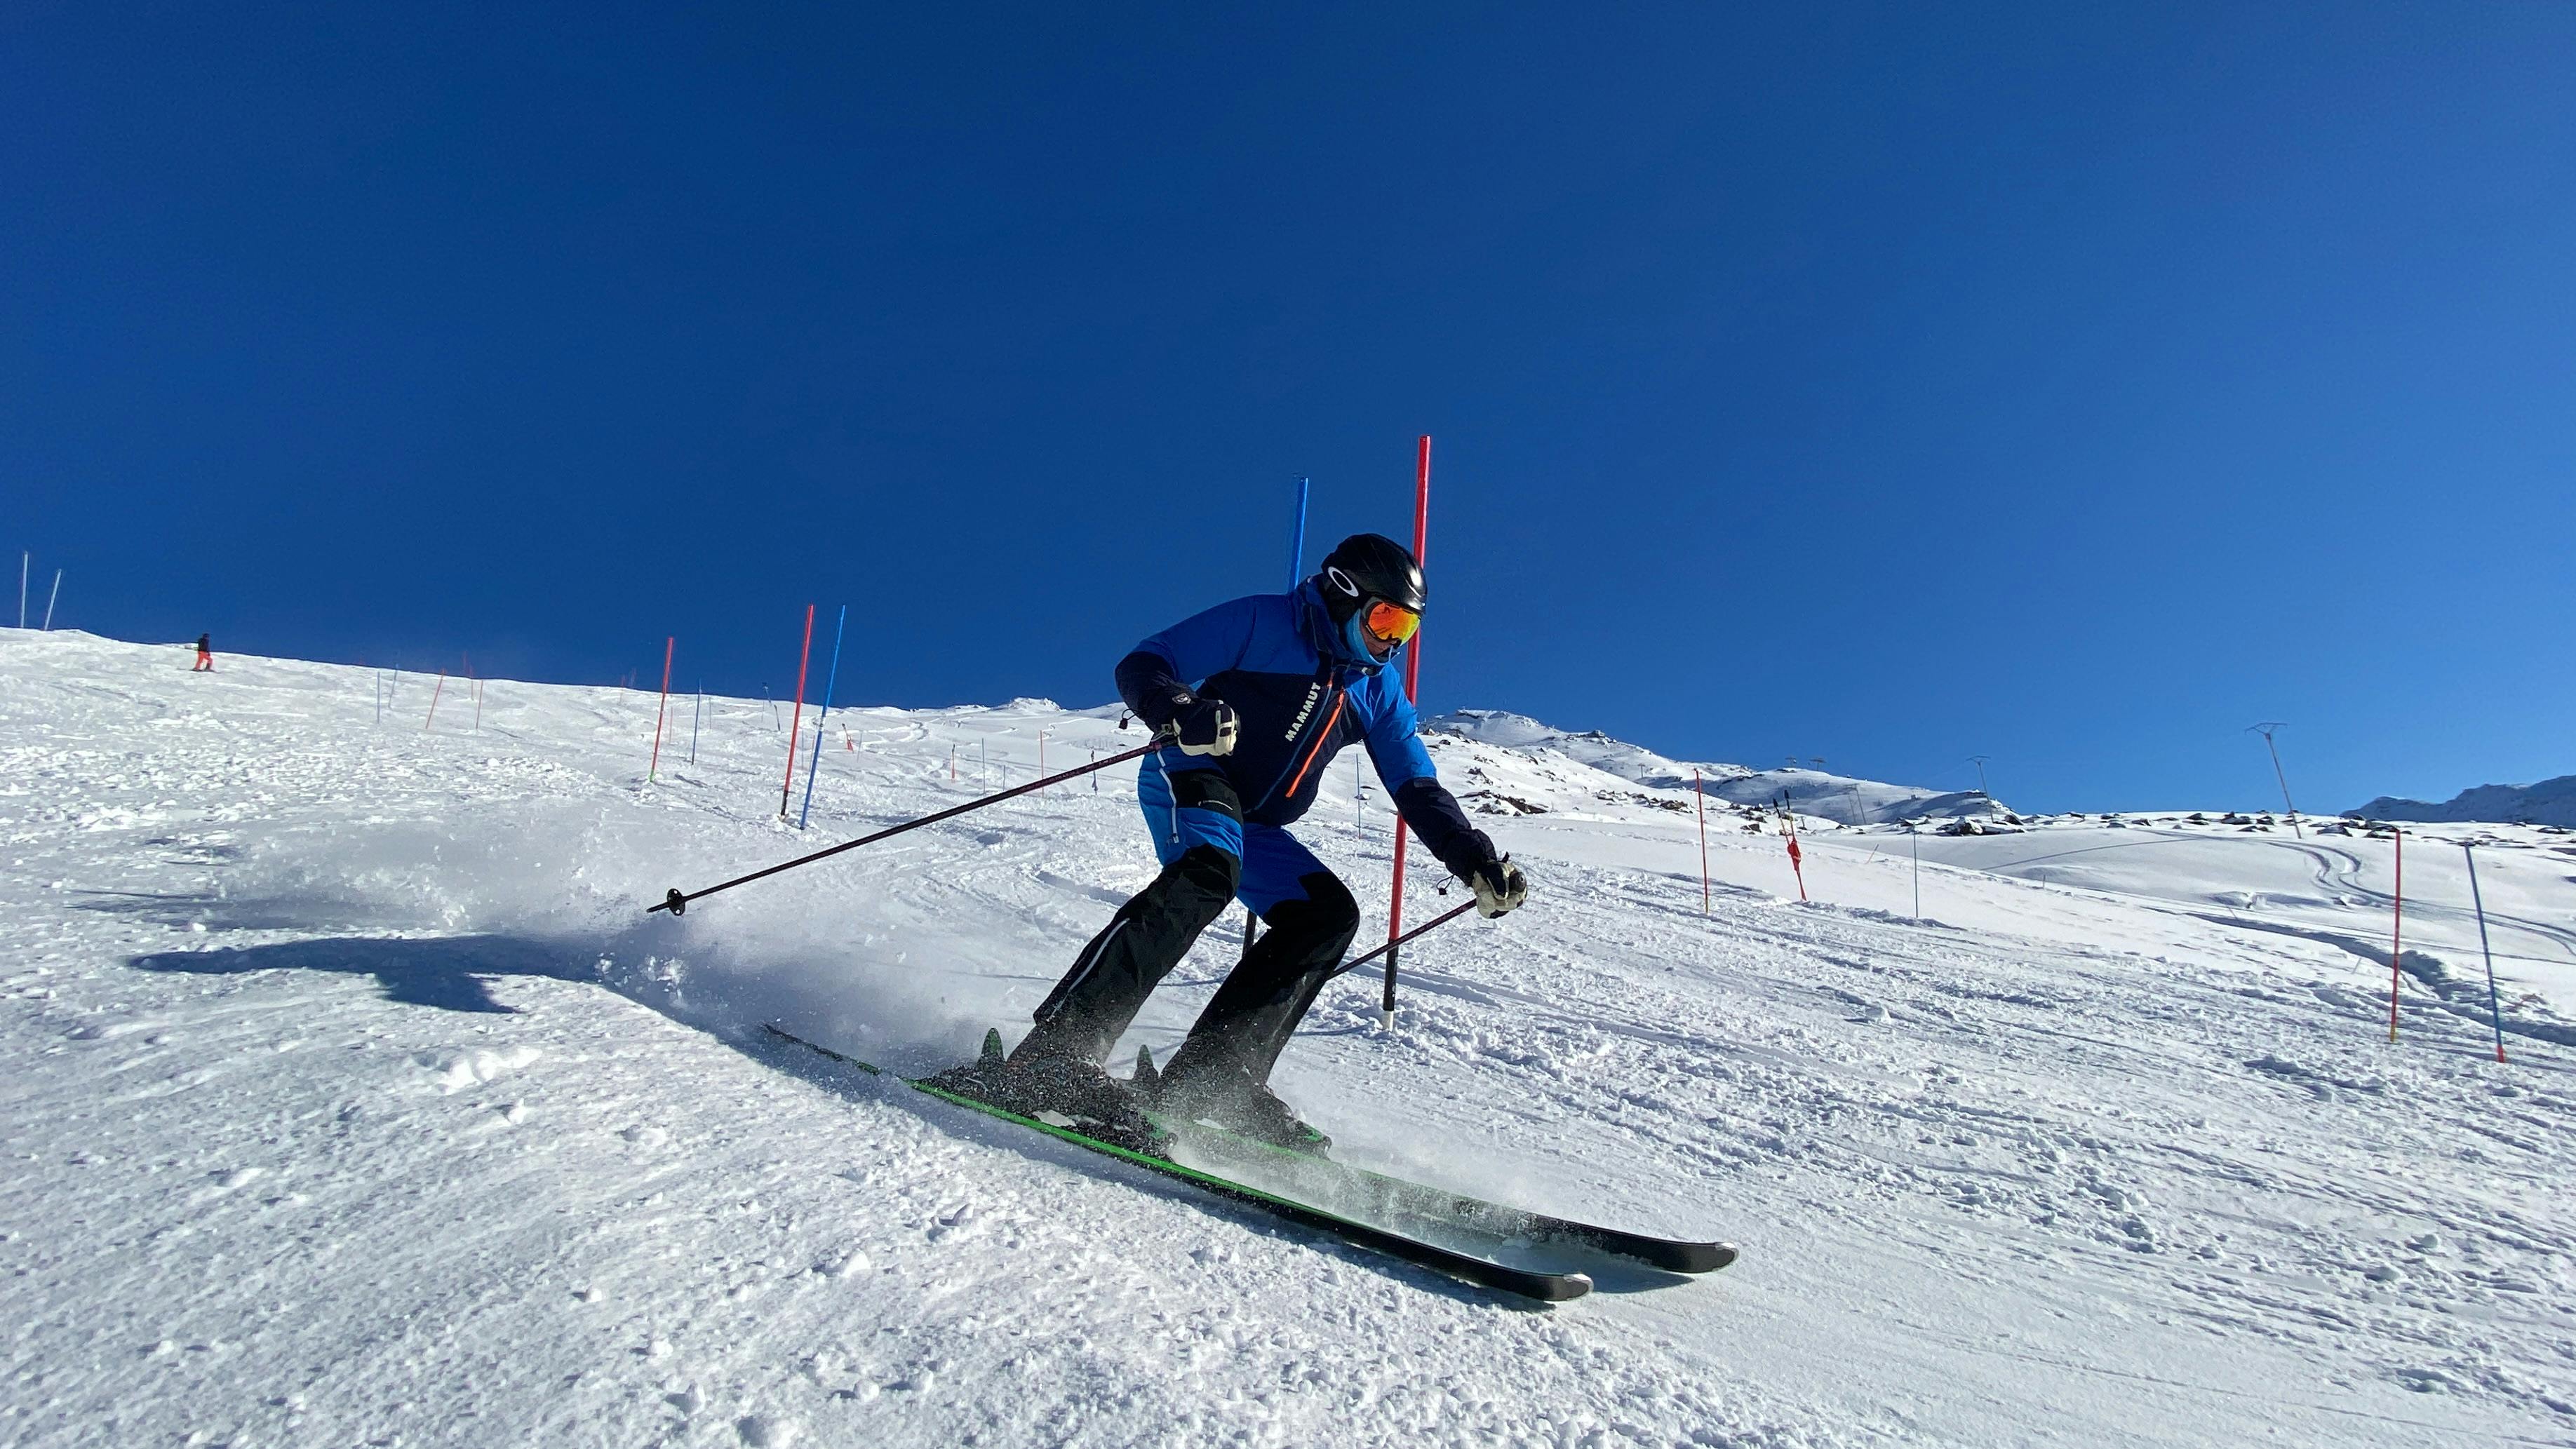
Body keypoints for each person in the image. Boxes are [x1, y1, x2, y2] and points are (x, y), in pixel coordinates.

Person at [939, 534, 1528, 1151]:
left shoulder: (1377, 691)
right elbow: (1145, 663)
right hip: (1192, 770)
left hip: (1258, 821)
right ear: (1343, 593)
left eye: (1406, 629)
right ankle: (1056, 1056)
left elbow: (1417, 786)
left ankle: (1214, 1078)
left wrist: (1473, 858)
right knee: (1208, 872)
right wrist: (1181, 707)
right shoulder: (1265, 622)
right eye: (1385, 617)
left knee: (1326, 917)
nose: (1391, 640)